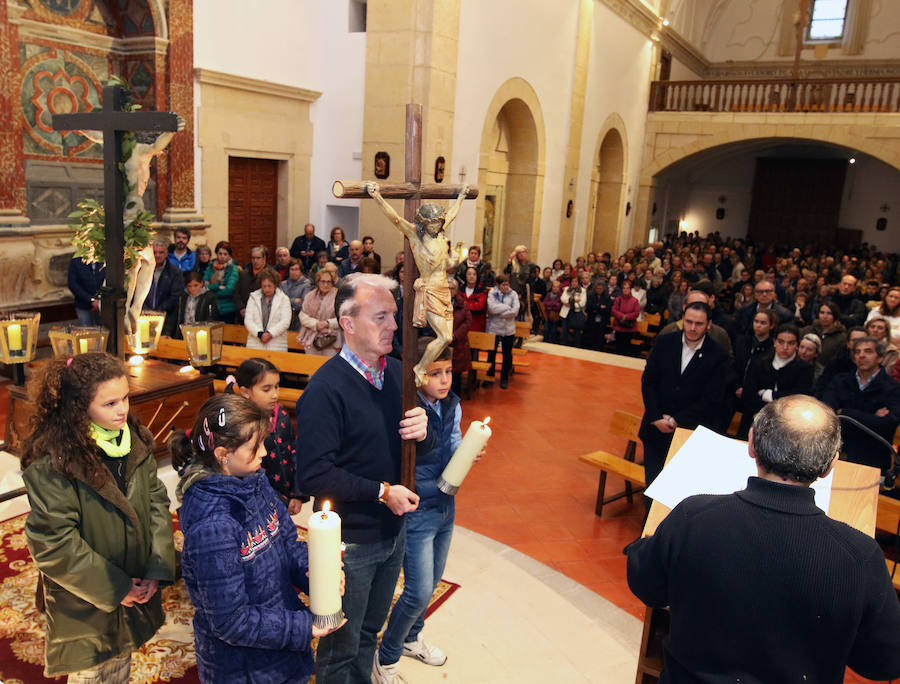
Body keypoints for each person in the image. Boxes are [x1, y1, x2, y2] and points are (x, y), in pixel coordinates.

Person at [627, 395, 900, 683]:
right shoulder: (859, 556)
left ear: (752, 443)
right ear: (831, 464)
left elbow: (645, 584)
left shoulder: (692, 516)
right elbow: (885, 663)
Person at [294, 272, 433, 684]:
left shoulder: (398, 374)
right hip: (351, 540)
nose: (393, 326)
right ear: (348, 323)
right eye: (381, 317)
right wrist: (383, 492)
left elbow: (419, 449)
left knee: (370, 631)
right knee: (341, 645)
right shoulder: (325, 389)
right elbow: (314, 474)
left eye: (394, 315)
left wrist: (424, 432)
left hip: (393, 532)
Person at [20, 353, 175, 682]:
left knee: (120, 665)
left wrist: (157, 567)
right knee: (93, 673)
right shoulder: (55, 463)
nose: (122, 410)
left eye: (125, 398)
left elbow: (156, 502)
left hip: (134, 581)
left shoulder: (134, 441)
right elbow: (54, 542)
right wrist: (116, 587)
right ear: (79, 408)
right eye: (110, 404)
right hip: (87, 598)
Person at [172, 394, 345, 684]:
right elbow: (230, 621)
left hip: (280, 643)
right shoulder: (212, 527)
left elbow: (288, 542)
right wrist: (303, 627)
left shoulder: (254, 481)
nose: (264, 452)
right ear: (223, 454)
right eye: (255, 447)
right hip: (244, 668)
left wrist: (318, 576)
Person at [374, 338, 484, 682]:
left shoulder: (452, 405)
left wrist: (469, 452)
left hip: (445, 505)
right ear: (418, 374)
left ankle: (411, 637)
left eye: (448, 371)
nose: (444, 380)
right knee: (418, 590)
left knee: (433, 580)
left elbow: (452, 447)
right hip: (418, 508)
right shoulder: (407, 409)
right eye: (435, 373)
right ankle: (386, 656)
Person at [639, 302, 729, 488]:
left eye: (699, 323)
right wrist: (656, 416)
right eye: (688, 322)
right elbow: (649, 382)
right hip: (655, 429)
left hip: (688, 432)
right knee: (652, 486)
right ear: (682, 320)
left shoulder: (718, 355)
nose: (692, 328)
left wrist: (676, 420)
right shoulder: (664, 342)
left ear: (709, 324)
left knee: (677, 488)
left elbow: (712, 397)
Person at [226, 358, 304, 514]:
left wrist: (297, 493)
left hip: (288, 495)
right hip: (259, 502)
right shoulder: (244, 427)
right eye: (266, 389)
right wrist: (281, 502)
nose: (275, 394)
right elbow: (249, 476)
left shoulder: (282, 416)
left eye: (277, 386)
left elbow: (295, 451)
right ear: (246, 392)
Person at [822, 336, 900, 472]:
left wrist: (845, 412)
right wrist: (872, 416)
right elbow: (827, 414)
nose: (861, 355)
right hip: (839, 454)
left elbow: (887, 424)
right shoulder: (840, 381)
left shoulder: (893, 387)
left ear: (880, 358)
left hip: (873, 457)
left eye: (868, 351)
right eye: (857, 352)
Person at [737, 324, 813, 439]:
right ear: (774, 342)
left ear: (797, 345)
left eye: (791, 343)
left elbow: (799, 399)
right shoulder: (758, 363)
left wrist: (768, 394)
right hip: (754, 420)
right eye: (781, 342)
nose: (785, 347)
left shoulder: (804, 369)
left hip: (787, 425)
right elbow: (748, 395)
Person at [245, 267, 292, 351]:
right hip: (255, 343)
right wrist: (260, 334)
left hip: (276, 345)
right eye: (264, 286)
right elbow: (248, 320)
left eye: (269, 286)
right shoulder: (253, 297)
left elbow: (285, 321)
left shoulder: (284, 299)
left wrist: (270, 334)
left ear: (275, 284)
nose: (266, 289)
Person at [486, 274, 519, 389]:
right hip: (493, 329)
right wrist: (507, 307)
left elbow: (515, 311)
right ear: (498, 285)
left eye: (507, 284)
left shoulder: (513, 294)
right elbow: (491, 309)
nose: (505, 287)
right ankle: (489, 377)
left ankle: (504, 379)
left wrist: (500, 312)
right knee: (491, 354)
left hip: (508, 330)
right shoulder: (492, 293)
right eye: (503, 285)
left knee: (507, 355)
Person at [298, 269, 341, 356]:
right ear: (318, 282)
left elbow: (343, 318)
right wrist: (316, 324)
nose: (325, 284)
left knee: (329, 364)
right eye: (323, 281)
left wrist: (327, 323)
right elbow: (302, 316)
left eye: (329, 282)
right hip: (311, 338)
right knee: (311, 363)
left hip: (331, 339)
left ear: (333, 283)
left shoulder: (339, 296)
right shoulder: (310, 296)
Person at [145, 240, 183, 335]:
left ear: (166, 254)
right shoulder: (143, 270)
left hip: (167, 317)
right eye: (154, 252)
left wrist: (157, 312)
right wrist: (147, 311)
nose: (157, 255)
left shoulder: (175, 272)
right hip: (144, 316)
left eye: (161, 252)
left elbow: (175, 296)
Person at [171, 271, 219, 339]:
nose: (192, 289)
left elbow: (211, 318)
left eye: (196, 285)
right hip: (182, 333)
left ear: (201, 283)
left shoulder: (209, 297)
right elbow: (175, 315)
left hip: (200, 335)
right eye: (189, 286)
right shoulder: (182, 297)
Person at [801, 300, 847, 367]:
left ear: (835, 316)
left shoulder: (841, 337)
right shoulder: (808, 330)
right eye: (822, 312)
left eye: (829, 313)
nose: (825, 316)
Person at [203, 240, 240, 324]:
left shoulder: (233, 269)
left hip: (227, 309)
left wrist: (211, 292)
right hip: (212, 307)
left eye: (225, 254)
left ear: (229, 255)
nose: (222, 256)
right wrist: (218, 286)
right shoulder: (210, 266)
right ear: (216, 254)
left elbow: (229, 290)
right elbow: (204, 286)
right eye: (220, 253)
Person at [447, 278, 472, 397]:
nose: (449, 291)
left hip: (458, 344)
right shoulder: (437, 303)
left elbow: (468, 322)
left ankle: (455, 398)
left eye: (452, 288)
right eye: (447, 288)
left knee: (456, 374)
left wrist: (455, 335)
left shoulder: (462, 304)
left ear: (456, 290)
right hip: (442, 342)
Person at [68, 255, 105, 326]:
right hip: (83, 305)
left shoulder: (102, 259)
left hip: (102, 305)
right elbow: (72, 284)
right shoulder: (76, 261)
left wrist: (99, 300)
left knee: (104, 329)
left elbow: (106, 280)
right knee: (86, 329)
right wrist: (91, 300)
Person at [235, 245, 270, 322]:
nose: (255, 261)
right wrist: (241, 308)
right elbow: (236, 293)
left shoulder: (270, 274)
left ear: (264, 258)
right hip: (244, 314)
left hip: (262, 315)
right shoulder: (243, 274)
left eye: (258, 258)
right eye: (253, 258)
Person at [280, 258, 313, 331]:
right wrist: (294, 300)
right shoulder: (283, 284)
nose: (294, 272)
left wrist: (288, 301)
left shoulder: (306, 285)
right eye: (292, 269)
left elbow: (303, 304)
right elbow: (280, 302)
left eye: (296, 269)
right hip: (284, 317)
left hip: (299, 319)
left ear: (301, 271)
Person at [611, 280, 641, 356]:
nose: (625, 290)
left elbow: (636, 313)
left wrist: (626, 317)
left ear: (630, 289)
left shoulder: (635, 301)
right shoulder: (618, 299)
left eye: (627, 288)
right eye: (624, 288)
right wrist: (621, 316)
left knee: (626, 349)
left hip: (629, 328)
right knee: (618, 348)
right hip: (619, 326)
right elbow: (614, 310)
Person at [462, 265, 488, 332]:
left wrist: (464, 305)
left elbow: (478, 307)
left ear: (477, 276)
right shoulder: (460, 289)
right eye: (469, 274)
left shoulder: (482, 290)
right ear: (465, 276)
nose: (471, 276)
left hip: (477, 324)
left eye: (474, 274)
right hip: (461, 324)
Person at [542, 279, 564, 344]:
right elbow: (545, 303)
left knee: (553, 331)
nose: (555, 288)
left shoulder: (561, 295)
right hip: (548, 315)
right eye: (554, 286)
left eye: (557, 287)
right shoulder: (548, 294)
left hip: (556, 317)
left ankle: (552, 343)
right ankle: (545, 343)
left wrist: (550, 306)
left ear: (559, 288)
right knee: (546, 329)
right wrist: (554, 304)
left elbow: (559, 306)